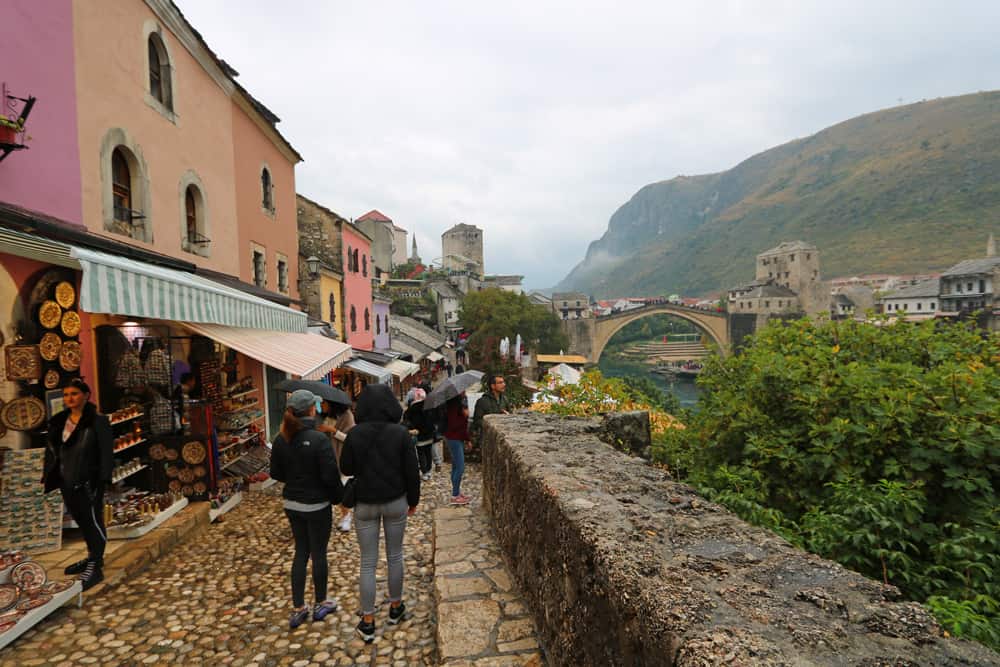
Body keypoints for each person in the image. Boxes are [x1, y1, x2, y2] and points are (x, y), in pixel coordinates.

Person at [340, 384, 420, 643]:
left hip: (365, 503)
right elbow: (412, 471)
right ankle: (395, 608)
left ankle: (368, 621)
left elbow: (347, 467)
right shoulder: (401, 434)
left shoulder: (354, 434)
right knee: (395, 555)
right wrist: (414, 500)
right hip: (396, 501)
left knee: (367, 563)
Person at [270, 390, 344, 629]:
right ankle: (321, 602)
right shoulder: (319, 439)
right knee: (318, 553)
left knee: (301, 552)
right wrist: (338, 498)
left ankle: (298, 607)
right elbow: (330, 476)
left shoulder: (281, 439)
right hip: (317, 505)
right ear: (311, 410)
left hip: (292, 504)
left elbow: (276, 474)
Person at [43, 378, 113, 591]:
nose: (69, 399)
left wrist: (103, 479)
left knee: (92, 520)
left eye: (74, 394)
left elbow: (106, 452)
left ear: (85, 395)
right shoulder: (59, 422)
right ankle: (93, 556)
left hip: (88, 480)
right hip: (67, 479)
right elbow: (54, 451)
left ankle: (95, 562)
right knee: (82, 521)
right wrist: (50, 474)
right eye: (66, 395)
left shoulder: (97, 422)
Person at [316, 399, 356, 532]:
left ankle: (347, 516)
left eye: (324, 403)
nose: (321, 405)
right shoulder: (329, 416)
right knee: (333, 488)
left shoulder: (347, 416)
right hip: (329, 455)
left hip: (343, 457)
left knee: (342, 488)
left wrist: (332, 430)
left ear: (331, 404)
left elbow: (350, 439)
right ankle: (344, 515)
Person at [443, 393, 471, 505]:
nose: (464, 391)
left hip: (454, 437)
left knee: (455, 466)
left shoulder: (457, 403)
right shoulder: (454, 405)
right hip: (454, 438)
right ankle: (455, 495)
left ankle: (457, 493)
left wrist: (467, 439)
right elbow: (454, 424)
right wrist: (465, 415)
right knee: (460, 467)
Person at [472, 374, 510, 450]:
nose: (504, 384)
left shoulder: (505, 399)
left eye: (503, 382)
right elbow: (477, 420)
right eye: (500, 383)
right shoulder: (482, 401)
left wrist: (507, 416)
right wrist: (492, 421)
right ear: (492, 386)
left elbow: (509, 414)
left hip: (502, 437)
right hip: (487, 439)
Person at [403, 388, 435, 480]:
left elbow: (406, 421)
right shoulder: (429, 406)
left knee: (421, 454)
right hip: (429, 434)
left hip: (419, 434)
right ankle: (428, 470)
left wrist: (411, 429)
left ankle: (424, 472)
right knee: (428, 453)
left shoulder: (411, 409)